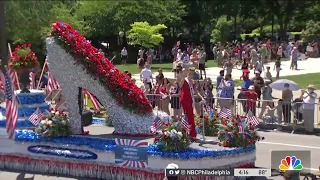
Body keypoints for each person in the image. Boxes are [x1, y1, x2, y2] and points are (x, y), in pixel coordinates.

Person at [180, 67, 205, 141]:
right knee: (189, 116)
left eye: (192, 74)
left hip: (190, 100)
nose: (191, 75)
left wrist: (201, 98)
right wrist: (183, 73)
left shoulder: (193, 82)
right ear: (187, 73)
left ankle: (189, 133)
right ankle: (189, 133)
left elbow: (196, 91)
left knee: (189, 117)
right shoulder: (184, 80)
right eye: (190, 73)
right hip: (185, 100)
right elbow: (179, 82)